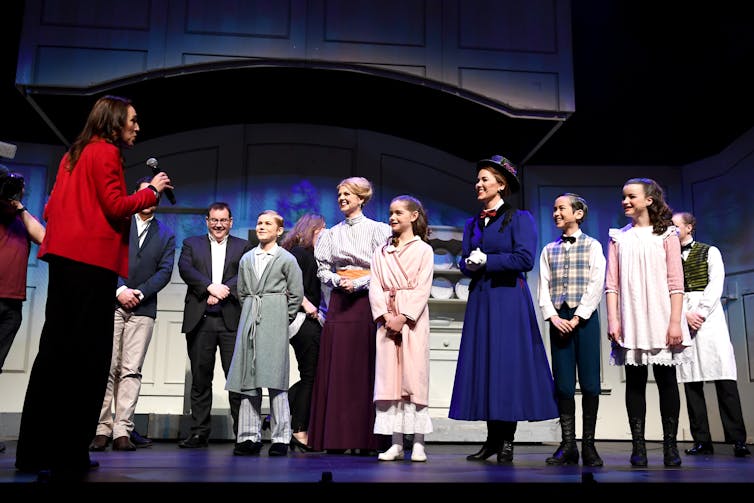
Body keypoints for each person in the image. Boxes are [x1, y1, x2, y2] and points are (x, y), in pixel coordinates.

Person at [14, 95, 172, 479]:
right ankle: (70, 454)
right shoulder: (105, 153)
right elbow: (117, 205)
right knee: (88, 360)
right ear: (115, 122)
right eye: (133, 120)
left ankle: (35, 451)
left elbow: (51, 210)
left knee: (54, 355)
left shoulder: (74, 153)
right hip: (91, 264)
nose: (137, 126)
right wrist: (152, 191)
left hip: (66, 261)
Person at [449, 155, 558, 464]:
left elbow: (525, 259)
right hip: (482, 299)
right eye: (478, 179)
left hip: (508, 298)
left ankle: (507, 440)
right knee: (486, 364)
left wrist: (490, 261)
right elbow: (466, 258)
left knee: (506, 366)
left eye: (485, 179)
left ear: (501, 184)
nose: (478, 184)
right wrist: (468, 264)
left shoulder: (519, 218)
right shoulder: (473, 222)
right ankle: (491, 439)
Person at [605, 177, 693, 468]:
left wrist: (675, 322)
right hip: (632, 318)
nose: (625, 201)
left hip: (661, 315)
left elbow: (675, 282)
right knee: (635, 382)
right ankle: (639, 447)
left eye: (631, 196)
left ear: (648, 200)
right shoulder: (619, 237)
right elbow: (612, 285)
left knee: (667, 381)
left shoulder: (667, 235)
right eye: (624, 197)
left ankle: (670, 447)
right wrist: (614, 320)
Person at [90, 176, 176, 452]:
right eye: (145, 193)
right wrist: (120, 290)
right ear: (137, 196)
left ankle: (122, 430)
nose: (151, 199)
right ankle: (101, 428)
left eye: (155, 196)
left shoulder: (166, 234)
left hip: (143, 308)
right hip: (113, 303)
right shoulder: (120, 224)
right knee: (107, 366)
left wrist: (139, 293)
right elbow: (105, 257)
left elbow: (164, 272)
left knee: (131, 370)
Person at [308, 176, 391, 454]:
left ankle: (365, 440)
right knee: (339, 369)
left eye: (348, 194)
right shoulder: (331, 234)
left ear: (361, 198)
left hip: (367, 301)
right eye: (340, 194)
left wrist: (359, 282)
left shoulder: (379, 230)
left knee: (363, 367)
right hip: (340, 303)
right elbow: (323, 269)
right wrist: (336, 280)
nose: (342, 198)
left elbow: (382, 269)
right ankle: (336, 437)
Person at [672, 211, 751, 458]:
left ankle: (738, 439)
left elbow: (715, 283)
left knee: (723, 378)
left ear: (689, 227)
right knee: (691, 382)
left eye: (675, 226)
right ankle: (702, 440)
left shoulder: (710, 251)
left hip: (709, 318)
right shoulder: (668, 258)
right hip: (683, 317)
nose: (671, 231)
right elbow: (668, 289)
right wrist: (684, 315)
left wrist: (700, 312)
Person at [226, 210, 304, 456]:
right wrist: (251, 310)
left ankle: (281, 437)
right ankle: (249, 436)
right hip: (251, 317)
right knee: (248, 377)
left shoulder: (287, 259)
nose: (261, 226)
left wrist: (282, 317)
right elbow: (241, 292)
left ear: (279, 230)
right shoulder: (248, 258)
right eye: (259, 222)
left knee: (275, 378)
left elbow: (296, 294)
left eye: (268, 223)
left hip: (274, 318)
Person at [537, 193, 606, 467]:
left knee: (590, 383)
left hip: (584, 319)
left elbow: (595, 284)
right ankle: (568, 445)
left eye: (561, 208)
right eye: (554, 209)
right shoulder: (548, 250)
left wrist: (578, 317)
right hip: (559, 319)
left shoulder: (593, 246)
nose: (555, 213)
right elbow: (543, 289)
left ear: (578, 214)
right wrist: (553, 317)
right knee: (563, 384)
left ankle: (589, 445)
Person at [177, 202, 252, 448]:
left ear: (230, 221)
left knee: (236, 380)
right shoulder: (191, 244)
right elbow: (185, 269)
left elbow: (245, 273)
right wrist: (209, 287)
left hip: (231, 320)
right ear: (207, 221)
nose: (218, 224)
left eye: (223, 220)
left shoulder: (243, 247)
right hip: (202, 319)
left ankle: (242, 434)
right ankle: (199, 432)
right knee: (200, 379)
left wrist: (222, 290)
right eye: (214, 220)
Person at [369, 195, 434, 462]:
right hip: (387, 320)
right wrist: (385, 316)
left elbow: (423, 287)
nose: (393, 217)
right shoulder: (381, 251)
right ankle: (396, 443)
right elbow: (375, 285)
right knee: (390, 381)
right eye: (391, 212)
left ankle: (418, 442)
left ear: (413, 216)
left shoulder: (423, 250)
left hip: (412, 321)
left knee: (414, 378)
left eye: (398, 213)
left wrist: (404, 317)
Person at [0, 166, 46, 454]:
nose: (15, 190)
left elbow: (44, 237)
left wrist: (19, 207)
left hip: (12, 304)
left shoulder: (20, 217)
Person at [279, 212, 327, 452]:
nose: (324, 234)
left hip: (308, 321)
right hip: (303, 321)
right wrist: (308, 306)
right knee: (311, 375)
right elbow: (287, 286)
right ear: (311, 230)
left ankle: (288, 417)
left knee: (314, 375)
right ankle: (299, 430)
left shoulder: (309, 255)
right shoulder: (299, 253)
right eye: (321, 230)